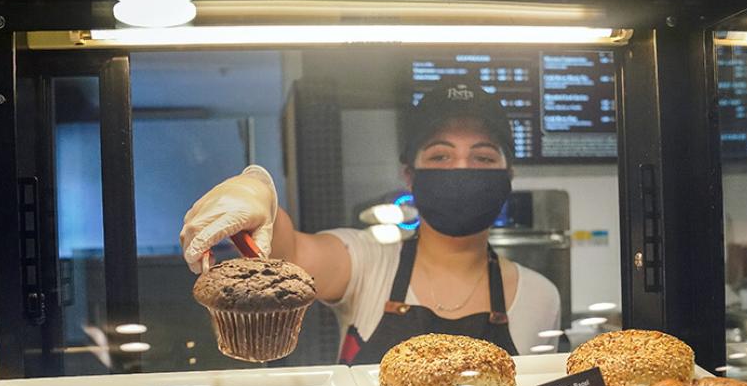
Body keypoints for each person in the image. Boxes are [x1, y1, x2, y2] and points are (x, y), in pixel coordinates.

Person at [180, 78, 561, 364]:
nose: (461, 169)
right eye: (441, 156)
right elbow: (291, 251)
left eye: (482, 158)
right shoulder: (366, 261)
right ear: (410, 175)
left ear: (508, 174)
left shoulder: (541, 296)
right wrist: (258, 194)